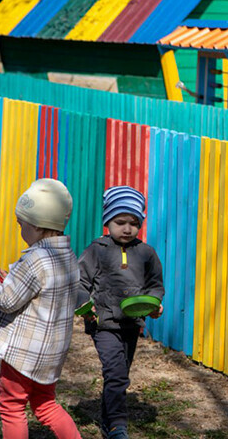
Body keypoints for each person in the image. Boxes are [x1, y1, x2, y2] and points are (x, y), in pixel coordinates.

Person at [0, 178, 81, 439]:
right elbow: (40, 292)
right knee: (45, 404)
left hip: (23, 353)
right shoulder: (68, 258)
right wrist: (11, 280)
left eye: (22, 225)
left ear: (37, 225)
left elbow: (5, 300)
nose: (20, 231)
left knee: (11, 406)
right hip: (50, 354)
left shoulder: (35, 259)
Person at [77, 186, 164, 439]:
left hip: (132, 323)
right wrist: (84, 305)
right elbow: (79, 282)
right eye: (120, 222)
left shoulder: (146, 253)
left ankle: (108, 421)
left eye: (134, 223)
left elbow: (155, 284)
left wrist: (154, 303)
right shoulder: (97, 250)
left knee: (120, 374)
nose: (127, 229)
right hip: (103, 323)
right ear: (108, 221)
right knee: (115, 374)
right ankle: (117, 425)